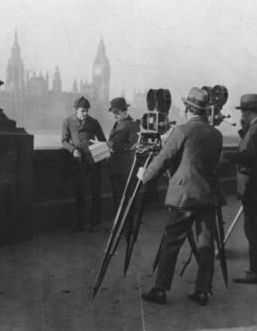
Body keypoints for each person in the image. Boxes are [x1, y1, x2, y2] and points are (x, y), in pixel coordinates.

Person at [139, 87, 226, 306]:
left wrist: (145, 177)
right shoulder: (216, 134)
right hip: (208, 194)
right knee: (206, 243)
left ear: (188, 109)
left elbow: (163, 159)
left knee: (172, 241)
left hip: (185, 196)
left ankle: (160, 289)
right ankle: (202, 290)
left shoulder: (182, 131)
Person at [222, 93, 257, 284]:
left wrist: (226, 156)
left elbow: (245, 155)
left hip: (252, 184)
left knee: (252, 228)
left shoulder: (254, 130)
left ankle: (256, 271)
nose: (241, 115)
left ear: (248, 111)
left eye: (242, 111)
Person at [61, 97, 106, 232]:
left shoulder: (94, 122)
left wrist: (102, 151)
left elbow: (103, 140)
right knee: (80, 192)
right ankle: (80, 223)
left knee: (96, 192)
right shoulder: (67, 122)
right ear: (75, 110)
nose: (85, 113)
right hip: (79, 162)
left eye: (87, 111)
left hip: (94, 160)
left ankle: (95, 223)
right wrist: (73, 149)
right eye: (83, 111)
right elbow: (64, 140)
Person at [106, 97, 140, 236]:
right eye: (113, 112)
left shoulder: (133, 125)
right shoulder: (117, 124)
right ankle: (118, 228)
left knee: (125, 199)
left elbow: (132, 146)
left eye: (117, 112)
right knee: (117, 199)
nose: (114, 115)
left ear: (124, 111)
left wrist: (114, 145)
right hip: (116, 167)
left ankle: (127, 229)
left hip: (126, 168)